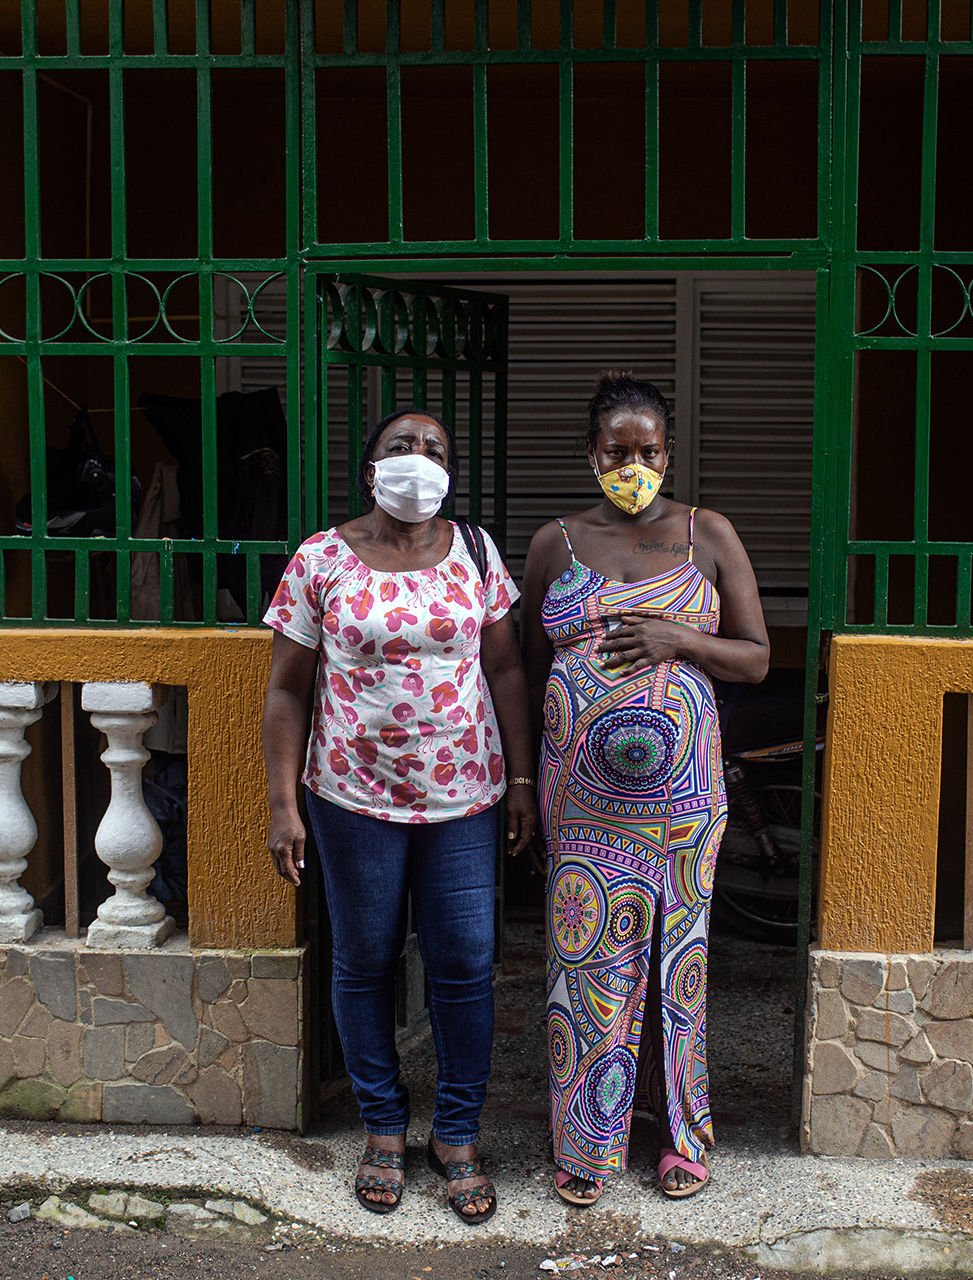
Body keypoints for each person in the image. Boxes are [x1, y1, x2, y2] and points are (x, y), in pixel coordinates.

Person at [261, 409, 537, 1225]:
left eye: (435, 451)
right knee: (365, 958)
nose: (418, 462)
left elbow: (509, 670)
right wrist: (284, 803)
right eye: (400, 448)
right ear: (369, 466)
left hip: (464, 799)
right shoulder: (320, 559)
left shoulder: (477, 552)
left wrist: (520, 778)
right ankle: (384, 1127)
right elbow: (285, 688)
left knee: (464, 962)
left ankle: (456, 1135)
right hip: (350, 796)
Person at [519, 371, 770, 1206]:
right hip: (580, 803)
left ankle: (679, 1136)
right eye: (618, 450)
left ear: (669, 452)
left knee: (677, 961)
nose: (635, 464)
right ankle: (587, 1144)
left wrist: (675, 639)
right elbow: (523, 663)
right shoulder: (555, 543)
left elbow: (757, 657)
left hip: (683, 804)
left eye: (649, 450)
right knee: (588, 958)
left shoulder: (709, 535)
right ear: (590, 454)